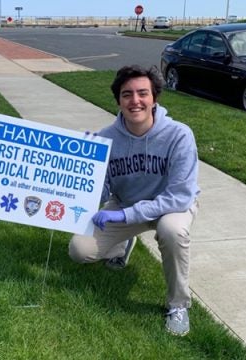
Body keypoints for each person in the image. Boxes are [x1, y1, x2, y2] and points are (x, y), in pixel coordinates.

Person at [68, 65, 200, 336]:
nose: (135, 101)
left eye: (143, 93)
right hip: (125, 205)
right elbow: (101, 192)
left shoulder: (179, 135)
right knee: (80, 251)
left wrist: (125, 216)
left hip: (170, 207)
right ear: (118, 100)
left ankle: (177, 305)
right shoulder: (106, 137)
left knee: (172, 231)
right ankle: (122, 243)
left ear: (154, 98)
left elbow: (180, 196)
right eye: (127, 94)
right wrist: (84, 164)